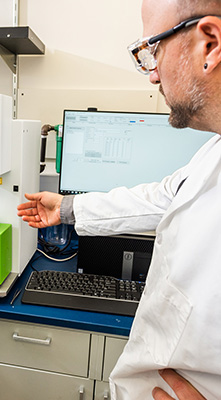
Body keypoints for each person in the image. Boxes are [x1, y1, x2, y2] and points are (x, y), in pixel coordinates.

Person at [17, 0, 221, 398]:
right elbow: (165, 196)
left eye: (154, 50)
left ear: (210, 44)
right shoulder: (214, 150)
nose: (152, 74)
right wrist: (69, 207)